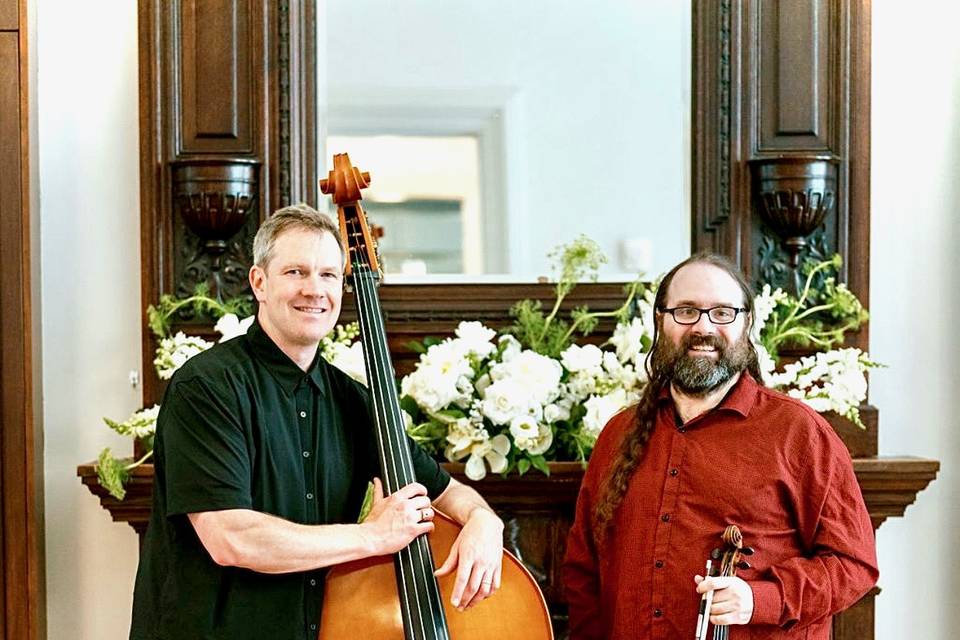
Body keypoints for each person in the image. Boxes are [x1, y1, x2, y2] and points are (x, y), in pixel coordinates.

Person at [130, 204, 505, 640]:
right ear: (259, 282)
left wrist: (484, 521)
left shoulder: (357, 403)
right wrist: (373, 537)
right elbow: (232, 537)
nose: (315, 290)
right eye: (295, 272)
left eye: (328, 275)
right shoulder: (206, 387)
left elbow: (446, 492)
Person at [563, 252, 878, 639]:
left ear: (747, 323)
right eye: (686, 311)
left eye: (722, 313)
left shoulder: (799, 432)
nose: (703, 327)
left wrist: (762, 598)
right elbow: (583, 571)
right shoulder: (618, 434)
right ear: (661, 321)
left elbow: (853, 564)